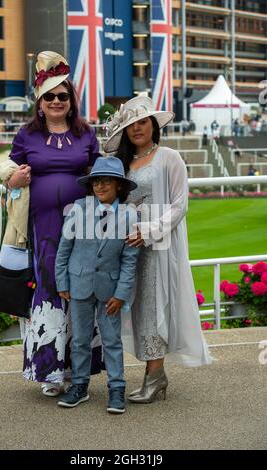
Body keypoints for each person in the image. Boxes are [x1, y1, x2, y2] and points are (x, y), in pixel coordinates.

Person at [5, 51, 103, 396]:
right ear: (40, 102)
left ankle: (80, 373)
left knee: (81, 289)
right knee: (49, 289)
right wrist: (11, 179)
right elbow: (7, 167)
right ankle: (50, 372)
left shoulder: (86, 134)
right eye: (50, 96)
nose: (57, 101)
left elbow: (102, 170)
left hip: (82, 228)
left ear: (71, 100)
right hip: (43, 227)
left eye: (63, 95)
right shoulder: (26, 135)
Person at [104, 96, 213, 404]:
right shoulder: (122, 165)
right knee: (135, 307)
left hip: (158, 246)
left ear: (153, 125)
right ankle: (150, 376)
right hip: (126, 246)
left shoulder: (169, 157)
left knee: (155, 306)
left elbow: (180, 205)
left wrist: (149, 232)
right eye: (130, 125)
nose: (137, 129)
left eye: (142, 122)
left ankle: (155, 377)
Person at [55, 156, 140, 413]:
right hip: (79, 284)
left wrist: (121, 293)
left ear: (119, 186)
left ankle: (116, 389)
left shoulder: (129, 216)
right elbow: (64, 249)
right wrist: (62, 281)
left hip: (110, 291)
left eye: (106, 182)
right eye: (96, 182)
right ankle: (79, 386)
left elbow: (129, 261)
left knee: (112, 340)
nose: (100, 187)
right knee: (79, 339)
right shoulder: (79, 209)